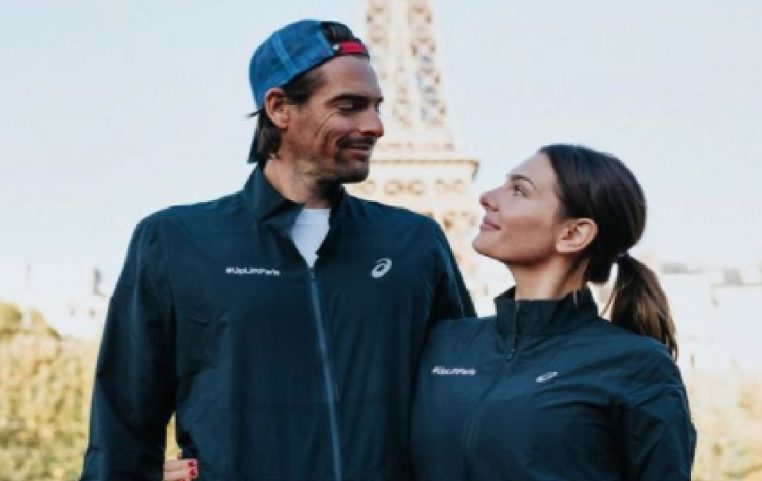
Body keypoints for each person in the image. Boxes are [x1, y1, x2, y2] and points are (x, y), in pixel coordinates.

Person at [79, 19, 474, 481]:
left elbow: (468, 397)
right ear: (280, 108)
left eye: (376, 107)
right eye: (349, 106)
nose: (375, 126)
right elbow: (122, 427)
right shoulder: (173, 241)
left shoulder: (415, 242)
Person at [409, 144, 696, 480]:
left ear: (573, 234)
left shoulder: (636, 364)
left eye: (519, 190)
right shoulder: (445, 343)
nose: (487, 197)